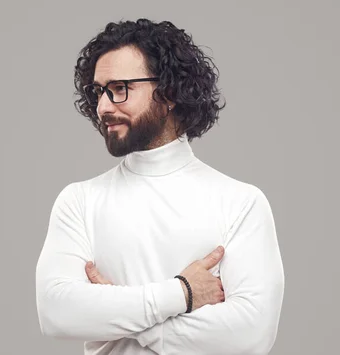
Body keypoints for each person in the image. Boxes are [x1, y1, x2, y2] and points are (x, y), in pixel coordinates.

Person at [35, 19, 285, 355]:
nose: (103, 107)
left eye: (120, 88)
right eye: (98, 91)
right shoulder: (79, 201)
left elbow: (251, 336)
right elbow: (56, 313)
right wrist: (181, 293)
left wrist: (118, 319)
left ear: (168, 93)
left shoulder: (241, 202)